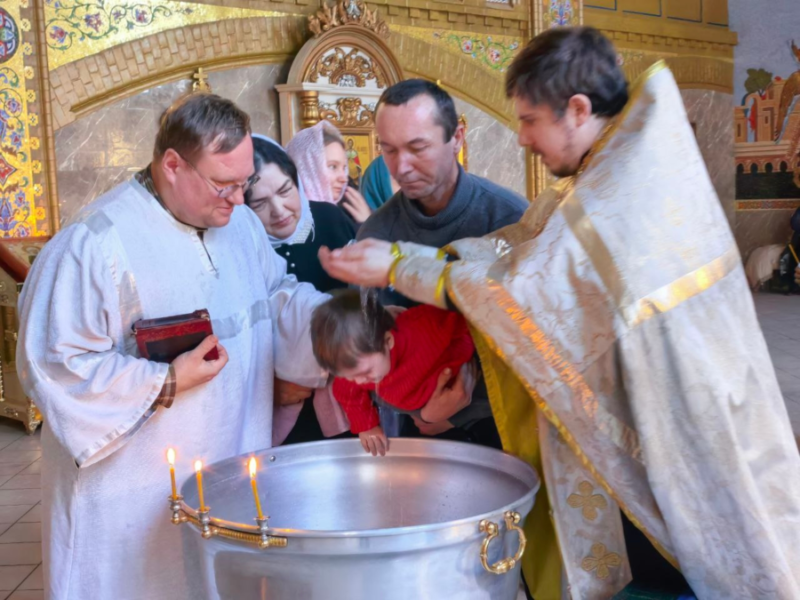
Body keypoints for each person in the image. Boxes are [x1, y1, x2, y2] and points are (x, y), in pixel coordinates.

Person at [319, 27, 800, 600]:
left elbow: (533, 286)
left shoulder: (623, 186)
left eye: (529, 120)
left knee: (690, 564)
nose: (522, 138)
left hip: (676, 424)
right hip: (645, 411)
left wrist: (402, 266)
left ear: (576, 110)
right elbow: (521, 249)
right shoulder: (607, 170)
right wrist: (405, 261)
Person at [16, 94, 329, 600]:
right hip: (128, 500)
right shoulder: (94, 244)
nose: (238, 199)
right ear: (172, 165)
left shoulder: (242, 226)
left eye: (244, 182)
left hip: (226, 467)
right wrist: (166, 380)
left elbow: (273, 298)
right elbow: (57, 366)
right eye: (223, 184)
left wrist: (332, 323)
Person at [357, 78, 528, 308]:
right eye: (389, 150)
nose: (402, 167)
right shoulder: (376, 234)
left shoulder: (510, 220)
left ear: (456, 138)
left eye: (417, 148)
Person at [245, 134, 355, 444]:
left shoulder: (329, 219)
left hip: (349, 407)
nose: (279, 210)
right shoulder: (240, 248)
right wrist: (270, 388)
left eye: (285, 191)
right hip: (275, 416)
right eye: (259, 203)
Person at [310, 290, 498, 456]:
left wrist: (465, 353)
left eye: (366, 372)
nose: (358, 382)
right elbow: (347, 393)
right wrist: (367, 426)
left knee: (491, 400)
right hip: (416, 402)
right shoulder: (357, 367)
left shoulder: (424, 327)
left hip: (460, 381)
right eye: (350, 376)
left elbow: (466, 318)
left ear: (388, 341)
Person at [286, 120, 372, 225]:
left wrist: (366, 222)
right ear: (307, 169)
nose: (344, 179)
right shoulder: (289, 221)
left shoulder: (347, 211)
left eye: (344, 168)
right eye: (332, 167)